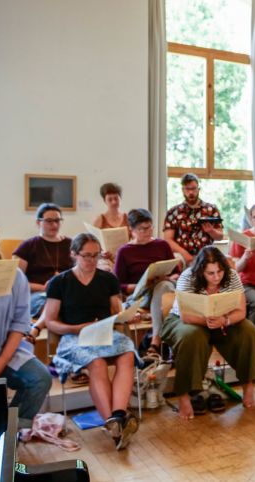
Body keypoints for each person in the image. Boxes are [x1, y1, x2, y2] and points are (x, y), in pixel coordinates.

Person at [44, 233, 139, 450]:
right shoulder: (60, 282)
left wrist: (128, 316)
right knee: (97, 363)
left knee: (127, 354)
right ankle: (115, 428)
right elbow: (50, 321)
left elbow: (117, 312)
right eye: (86, 256)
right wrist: (76, 328)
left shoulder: (108, 279)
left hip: (104, 333)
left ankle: (117, 416)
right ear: (74, 254)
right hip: (74, 336)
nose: (91, 261)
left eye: (96, 256)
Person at [161, 246, 255, 420]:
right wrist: (209, 321)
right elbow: (186, 316)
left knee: (248, 330)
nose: (216, 277)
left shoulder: (231, 276)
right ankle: (184, 396)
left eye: (219, 271)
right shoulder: (188, 277)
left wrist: (225, 321)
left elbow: (241, 311)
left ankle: (248, 386)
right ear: (201, 271)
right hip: (187, 321)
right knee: (192, 336)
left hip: (223, 320)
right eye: (210, 273)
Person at [0, 216, 52, 429]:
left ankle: (10, 432)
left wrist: (3, 359)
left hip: (3, 343)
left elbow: (20, 322)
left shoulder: (15, 275)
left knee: (40, 379)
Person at [113, 209, 178, 360]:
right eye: (142, 229)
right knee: (162, 289)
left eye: (149, 227)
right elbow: (117, 285)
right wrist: (138, 285)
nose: (147, 231)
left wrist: (166, 277)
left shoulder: (162, 245)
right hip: (140, 295)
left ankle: (155, 342)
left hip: (163, 291)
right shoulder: (124, 251)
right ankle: (160, 343)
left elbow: (176, 272)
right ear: (132, 229)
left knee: (163, 286)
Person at [13, 203, 72, 319]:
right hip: (39, 294)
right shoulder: (27, 246)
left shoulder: (72, 244)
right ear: (38, 222)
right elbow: (16, 282)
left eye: (57, 220)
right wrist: (43, 288)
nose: (54, 225)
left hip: (67, 292)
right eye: (49, 221)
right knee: (50, 303)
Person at [163, 173, 224, 265]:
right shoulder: (173, 212)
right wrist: (185, 254)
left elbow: (220, 236)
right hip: (182, 255)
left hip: (206, 255)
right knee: (177, 262)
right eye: (187, 189)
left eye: (193, 188)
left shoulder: (211, 209)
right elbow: (168, 240)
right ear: (183, 190)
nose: (191, 192)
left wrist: (211, 231)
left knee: (224, 262)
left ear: (198, 189)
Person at [91, 183, 130, 271]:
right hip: (106, 258)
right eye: (110, 199)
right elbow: (93, 242)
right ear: (105, 201)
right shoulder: (99, 219)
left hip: (124, 256)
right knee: (105, 268)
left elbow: (134, 239)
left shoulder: (128, 218)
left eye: (116, 198)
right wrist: (101, 253)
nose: (114, 202)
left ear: (120, 199)